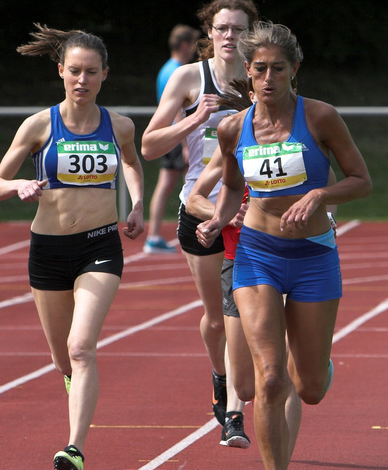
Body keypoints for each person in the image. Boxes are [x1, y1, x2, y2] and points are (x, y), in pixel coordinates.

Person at [196, 21, 372, 469]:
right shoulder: (233, 129)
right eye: (260, 69)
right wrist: (218, 218)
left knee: (309, 388)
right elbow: (232, 186)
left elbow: (361, 180)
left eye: (278, 68)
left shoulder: (320, 117)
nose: (269, 78)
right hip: (257, 254)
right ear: (248, 72)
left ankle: (317, 362)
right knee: (270, 379)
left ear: (295, 69)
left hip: (313, 256)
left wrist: (319, 195)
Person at [0, 23, 144, 470]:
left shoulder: (120, 125)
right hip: (49, 251)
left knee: (81, 347)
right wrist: (18, 185)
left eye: (91, 72)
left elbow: (132, 163)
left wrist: (136, 205)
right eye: (75, 71)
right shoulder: (39, 125)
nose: (82, 80)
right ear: (60, 71)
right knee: (63, 359)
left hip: (100, 245)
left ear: (104, 74)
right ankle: (73, 381)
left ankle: (74, 449)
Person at [141, 0, 259, 446]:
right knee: (216, 319)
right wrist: (195, 118)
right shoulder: (189, 78)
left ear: (251, 33)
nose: (230, 36)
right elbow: (149, 146)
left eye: (239, 29)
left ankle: (235, 414)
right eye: (223, 28)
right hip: (200, 208)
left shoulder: (261, 76)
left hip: (250, 212)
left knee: (239, 316)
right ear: (209, 32)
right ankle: (220, 376)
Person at [144, 24, 201, 254]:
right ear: (185, 45)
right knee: (195, 183)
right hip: (176, 136)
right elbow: (178, 110)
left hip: (169, 135)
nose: (196, 50)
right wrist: (186, 144)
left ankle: (154, 235)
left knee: (166, 185)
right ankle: (196, 231)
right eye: (194, 45)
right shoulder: (178, 71)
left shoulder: (166, 69)